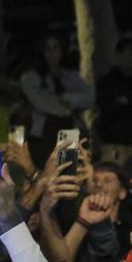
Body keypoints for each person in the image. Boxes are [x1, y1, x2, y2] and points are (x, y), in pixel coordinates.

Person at [19, 35, 95, 167]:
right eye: (47, 49)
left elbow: (89, 97)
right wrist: (66, 107)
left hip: (70, 130)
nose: (52, 53)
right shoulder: (31, 78)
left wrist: (68, 99)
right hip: (43, 134)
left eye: (55, 48)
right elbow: (43, 103)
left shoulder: (71, 76)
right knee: (45, 174)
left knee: (67, 171)